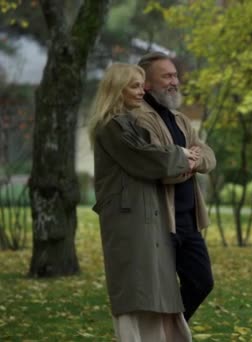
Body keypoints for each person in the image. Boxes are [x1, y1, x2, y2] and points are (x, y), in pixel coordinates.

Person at [88, 63, 200, 341]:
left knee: (157, 285)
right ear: (117, 90)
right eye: (135, 86)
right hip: (128, 217)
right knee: (135, 287)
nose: (143, 91)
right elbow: (144, 156)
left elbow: (151, 154)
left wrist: (182, 158)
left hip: (145, 213)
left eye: (142, 85)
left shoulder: (128, 121)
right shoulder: (110, 126)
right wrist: (183, 155)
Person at [133, 52, 216, 322]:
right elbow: (162, 169)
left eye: (175, 75)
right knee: (160, 291)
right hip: (159, 222)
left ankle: (166, 334)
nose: (174, 81)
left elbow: (209, 156)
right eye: (166, 76)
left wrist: (188, 160)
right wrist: (186, 161)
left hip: (188, 222)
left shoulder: (179, 119)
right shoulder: (140, 119)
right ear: (146, 83)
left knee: (201, 282)